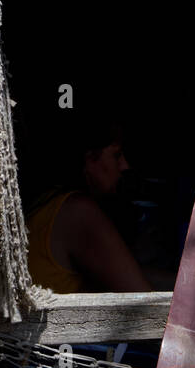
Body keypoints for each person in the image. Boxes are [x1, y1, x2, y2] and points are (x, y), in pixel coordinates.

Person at [26, 108, 151, 294]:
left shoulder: (49, 204)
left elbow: (127, 273)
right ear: (90, 159)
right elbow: (142, 297)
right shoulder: (78, 212)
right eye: (116, 155)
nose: (124, 166)